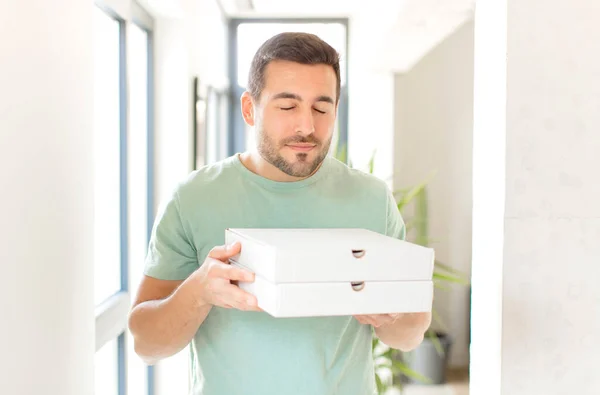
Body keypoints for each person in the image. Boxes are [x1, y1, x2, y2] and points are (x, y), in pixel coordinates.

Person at [128, 32, 432, 395]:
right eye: (287, 107)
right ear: (248, 109)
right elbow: (146, 344)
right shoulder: (193, 198)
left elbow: (411, 334)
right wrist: (199, 292)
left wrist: (391, 317)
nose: (307, 126)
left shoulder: (372, 199)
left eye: (322, 108)